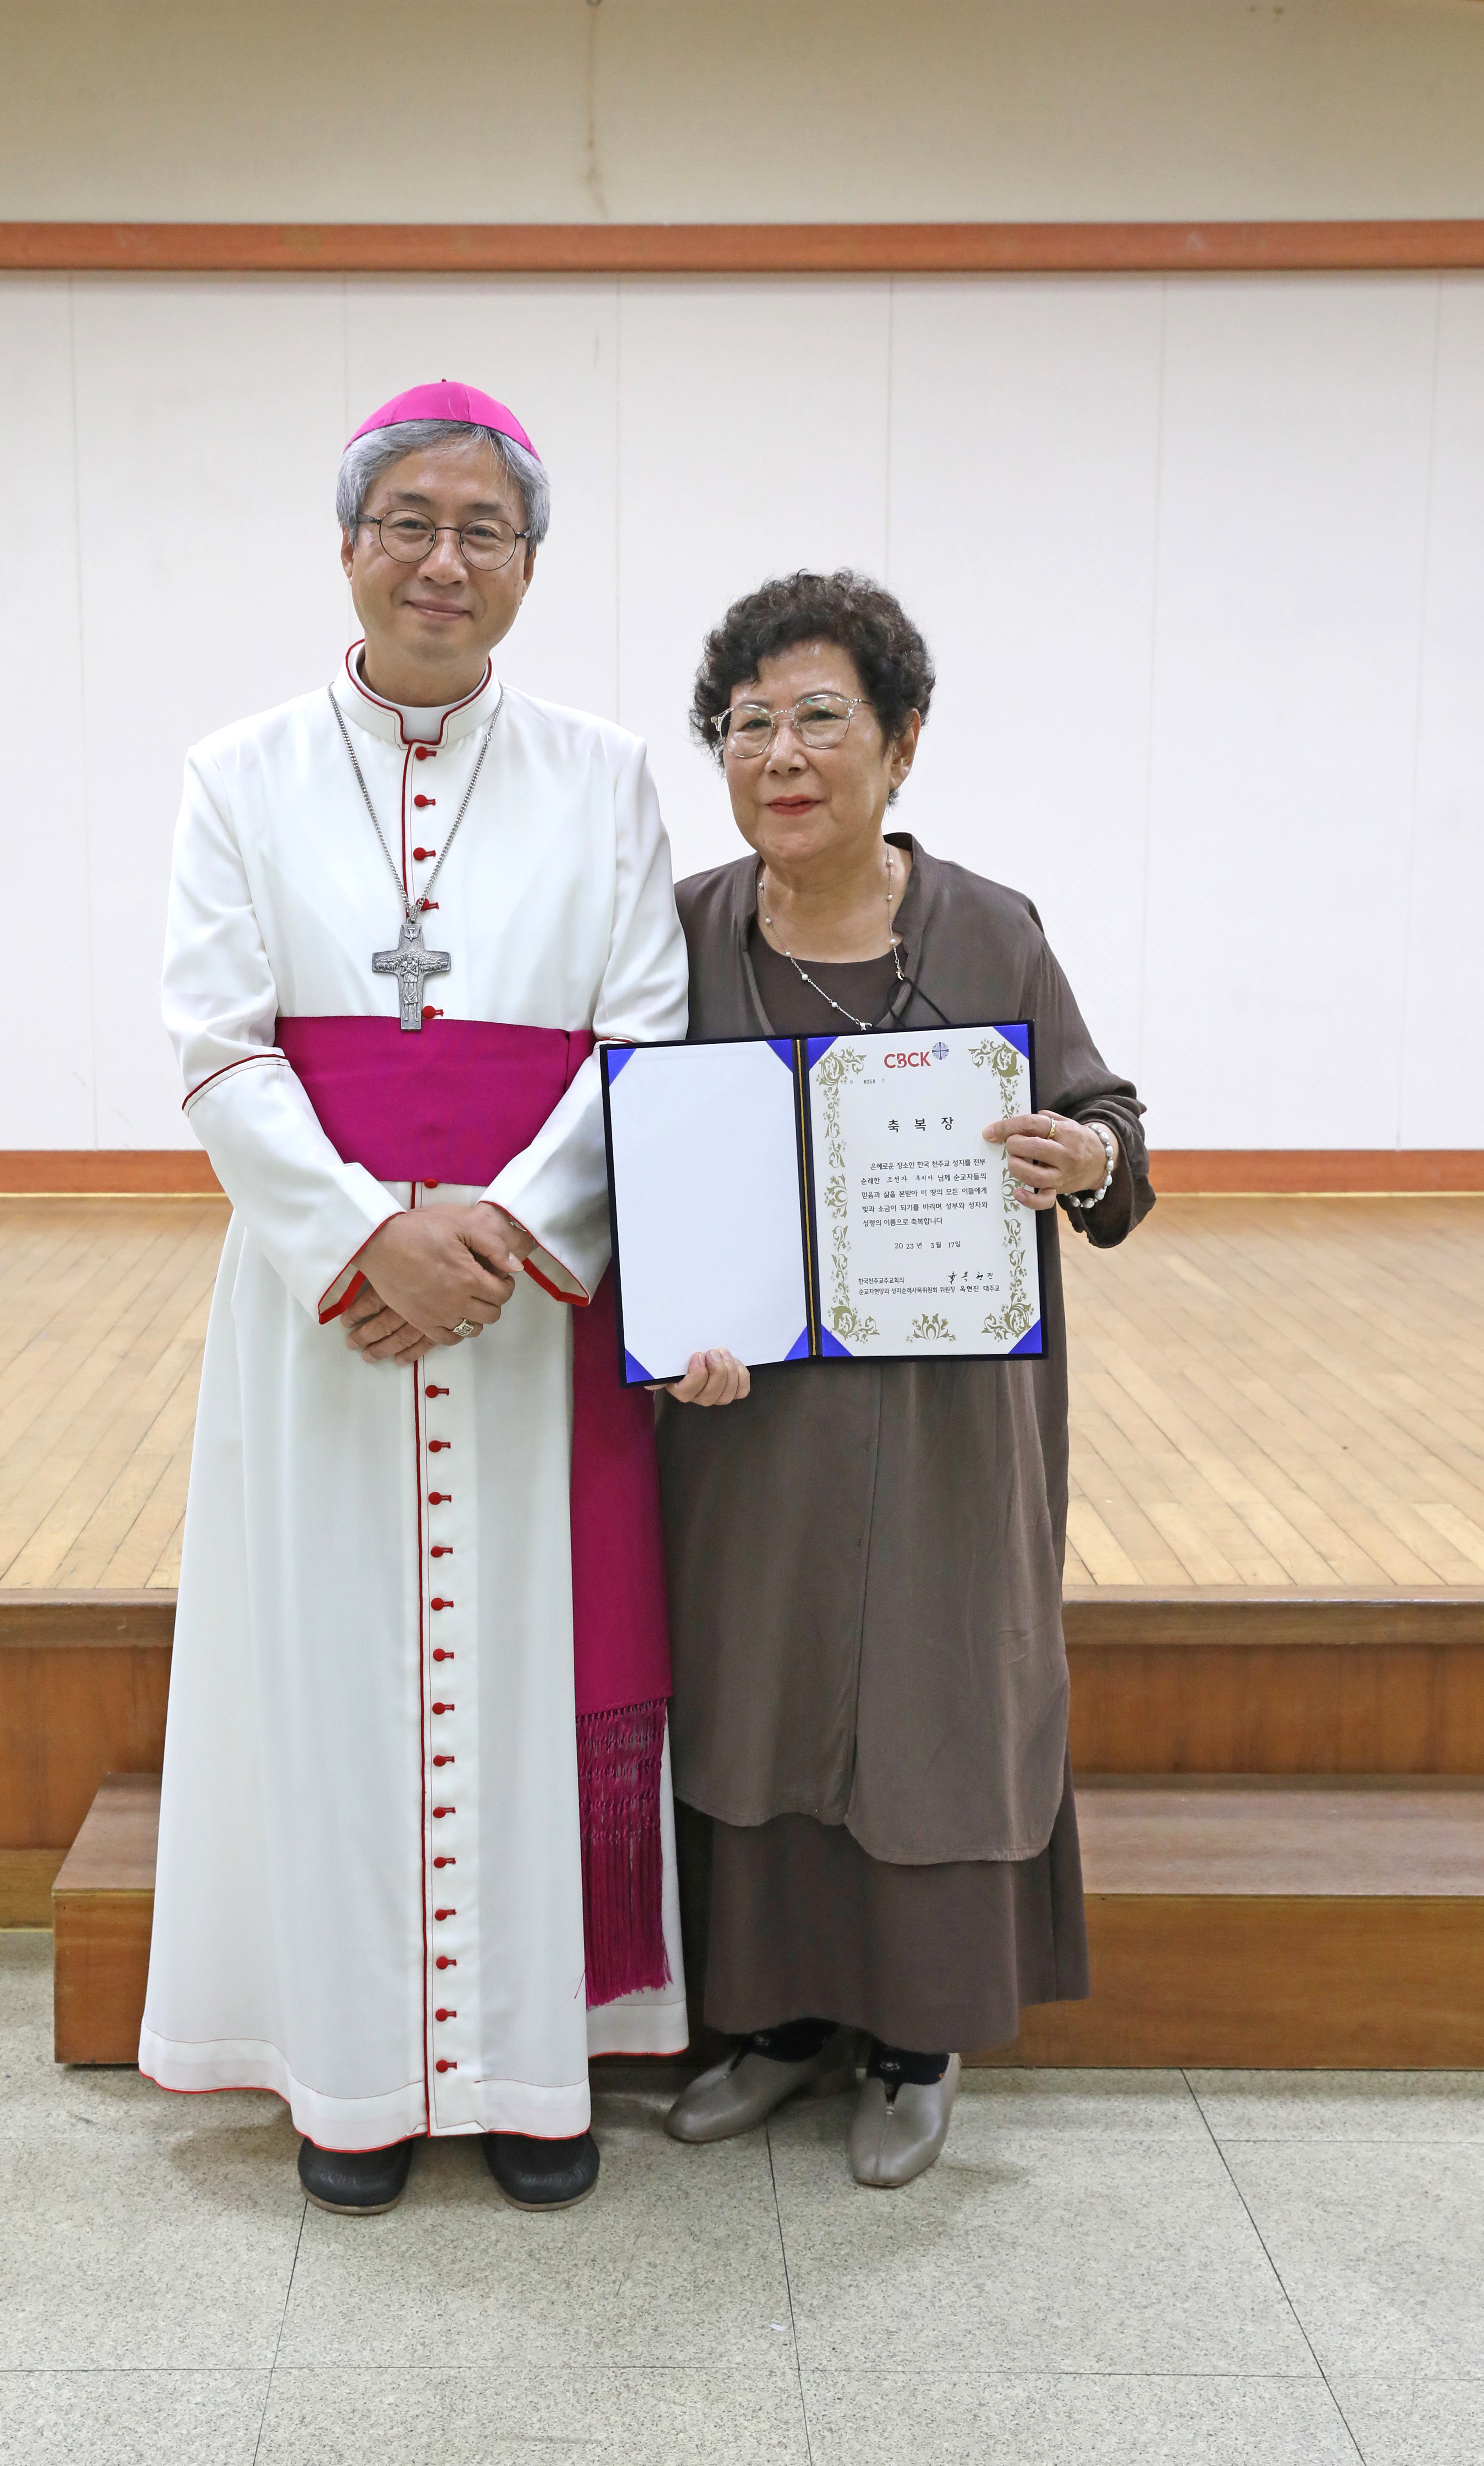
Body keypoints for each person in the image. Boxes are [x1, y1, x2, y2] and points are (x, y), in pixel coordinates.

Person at [143, 381, 690, 2217]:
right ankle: (352, 2081)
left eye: (485, 532)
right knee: (335, 1673)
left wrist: (499, 1243)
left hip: (529, 1326)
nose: (444, 561)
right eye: (412, 522)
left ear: (530, 568)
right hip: (326, 1317)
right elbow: (216, 1050)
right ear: (352, 544)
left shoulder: (611, 776)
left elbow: (643, 1049)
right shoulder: (239, 775)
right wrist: (364, 1237)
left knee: (529, 1674)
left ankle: (539, 2073)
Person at [656, 570, 1153, 2188]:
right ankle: (783, 2022)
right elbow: (644, 1175)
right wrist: (672, 1332)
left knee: (935, 1694)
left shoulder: (991, 928)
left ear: (903, 741)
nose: (782, 755)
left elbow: (1117, 1147)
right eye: (750, 725)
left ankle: (915, 2041)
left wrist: (1081, 1155)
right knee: (761, 1690)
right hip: (757, 1419)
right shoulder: (685, 935)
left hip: (949, 1415)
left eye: (822, 720)